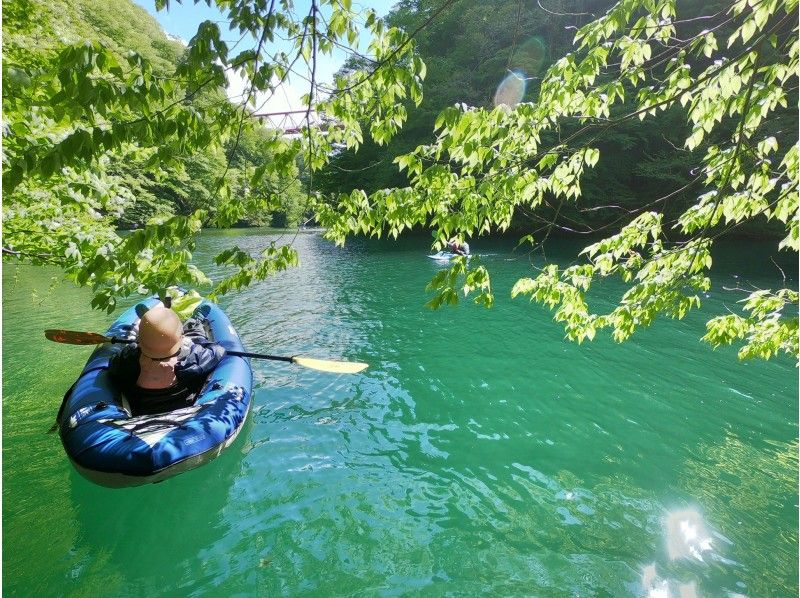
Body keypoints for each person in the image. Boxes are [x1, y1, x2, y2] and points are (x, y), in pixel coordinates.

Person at [108, 304, 226, 416]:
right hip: (182, 409)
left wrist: (137, 345)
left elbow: (113, 362)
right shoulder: (192, 360)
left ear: (140, 340)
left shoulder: (127, 361)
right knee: (195, 335)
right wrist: (192, 343)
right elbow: (217, 351)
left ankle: (150, 327)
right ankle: (194, 321)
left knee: (162, 337)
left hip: (142, 408)